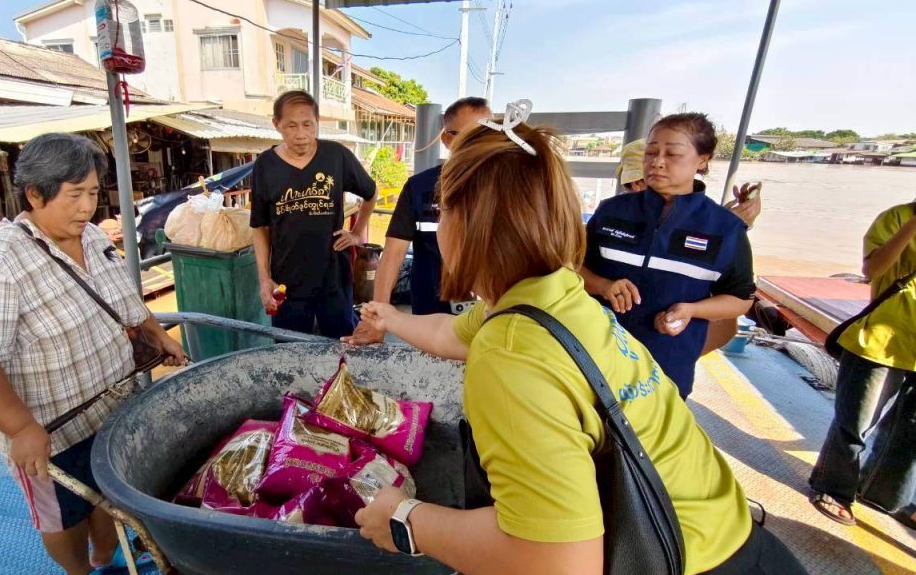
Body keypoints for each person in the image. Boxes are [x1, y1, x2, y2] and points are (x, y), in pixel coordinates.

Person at [354, 110, 805, 574]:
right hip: (739, 539)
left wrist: (405, 520)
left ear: (464, 222)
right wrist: (390, 316)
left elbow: (559, 564)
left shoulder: (510, 353)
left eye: (443, 209)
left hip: (687, 562)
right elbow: (451, 333)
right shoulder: (554, 295)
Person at [0, 133, 187, 575]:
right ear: (35, 194)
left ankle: (106, 556)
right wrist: (21, 428)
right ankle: (79, 570)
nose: (87, 206)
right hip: (53, 434)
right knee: (63, 517)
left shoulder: (92, 236)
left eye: (92, 192)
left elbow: (123, 301)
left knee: (110, 497)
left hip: (114, 411)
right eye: (74, 195)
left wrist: (156, 334)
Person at [579, 114, 756, 399]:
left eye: (672, 154)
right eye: (651, 152)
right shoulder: (610, 211)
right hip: (591, 358)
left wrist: (691, 310)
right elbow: (573, 267)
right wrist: (602, 285)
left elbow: (741, 298)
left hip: (666, 368)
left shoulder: (725, 228)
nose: (657, 162)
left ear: (703, 160)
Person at [346, 97, 492, 345]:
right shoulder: (419, 186)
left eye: (489, 135)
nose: (481, 145)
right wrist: (376, 317)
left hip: (491, 311)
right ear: (447, 139)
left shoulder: (508, 188)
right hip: (429, 312)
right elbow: (393, 254)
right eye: (471, 137)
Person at [809, 200, 916, 527]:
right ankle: (833, 488)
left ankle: (881, 493)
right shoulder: (897, 217)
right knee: (856, 421)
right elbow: (873, 270)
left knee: (910, 430)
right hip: (882, 339)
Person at [614, 138, 763, 355]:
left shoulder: (718, 227)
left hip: (665, 348)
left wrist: (729, 230)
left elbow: (736, 301)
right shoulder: (614, 220)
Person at [251, 90, 377, 338]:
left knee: (342, 345)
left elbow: (371, 194)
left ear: (317, 121)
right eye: (291, 126)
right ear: (276, 124)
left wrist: (356, 233)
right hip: (287, 280)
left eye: (308, 124)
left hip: (333, 276)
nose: (301, 134)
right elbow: (259, 227)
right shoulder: (265, 165)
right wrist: (264, 279)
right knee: (291, 349)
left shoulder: (336, 155)